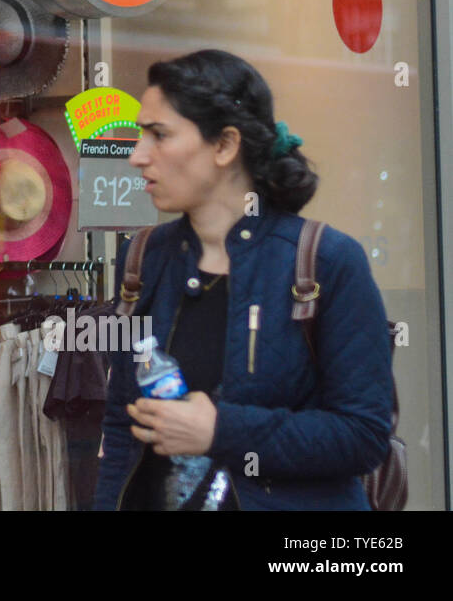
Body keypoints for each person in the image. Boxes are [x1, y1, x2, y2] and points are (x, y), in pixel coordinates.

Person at [93, 50, 392, 510]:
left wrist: (221, 432)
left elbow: (364, 435)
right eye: (139, 134)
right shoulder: (142, 259)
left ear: (225, 146)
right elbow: (121, 426)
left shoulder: (326, 262)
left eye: (158, 135)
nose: (137, 155)